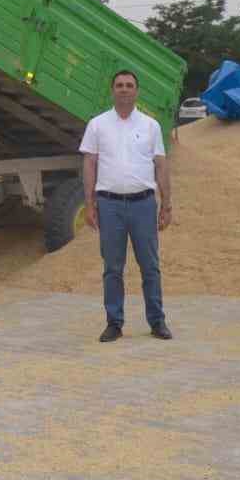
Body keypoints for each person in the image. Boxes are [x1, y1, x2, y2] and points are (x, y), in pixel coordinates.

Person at [80, 69, 173, 342]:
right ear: (112, 90)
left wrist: (166, 205)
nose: (124, 89)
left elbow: (160, 164)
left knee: (150, 266)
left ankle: (157, 321)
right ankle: (114, 323)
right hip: (109, 206)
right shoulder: (97, 125)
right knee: (112, 267)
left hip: (143, 204)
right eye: (119, 85)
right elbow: (89, 163)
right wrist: (89, 203)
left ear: (136, 91)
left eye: (129, 85)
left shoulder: (150, 126)